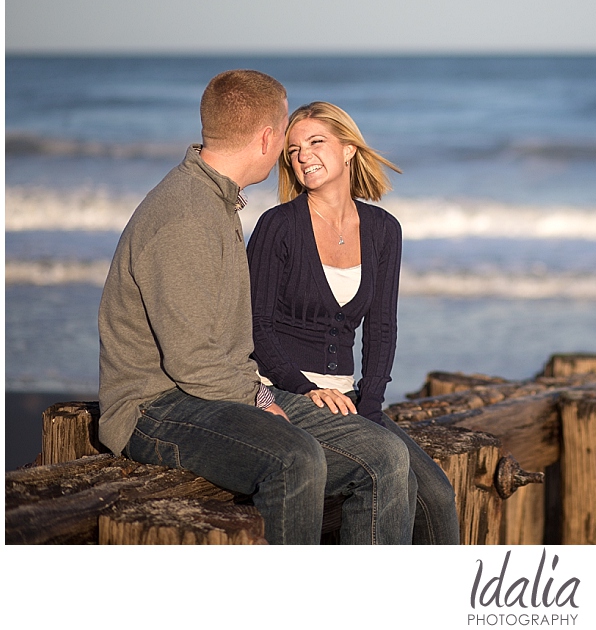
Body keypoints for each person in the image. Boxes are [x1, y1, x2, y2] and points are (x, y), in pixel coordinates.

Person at [98, 70, 413, 545]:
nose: (295, 150)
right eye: (287, 135)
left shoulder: (216, 202)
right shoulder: (185, 215)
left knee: (386, 457)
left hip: (213, 389)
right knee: (296, 458)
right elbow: (193, 361)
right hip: (154, 406)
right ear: (268, 138)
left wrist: (267, 395)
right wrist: (263, 400)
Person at [246, 101, 460, 545]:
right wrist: (305, 389)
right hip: (284, 390)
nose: (303, 156)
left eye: (316, 142)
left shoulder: (384, 229)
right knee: (385, 465)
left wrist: (372, 405)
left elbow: (382, 326)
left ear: (348, 149)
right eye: (292, 150)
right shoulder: (278, 226)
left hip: (346, 395)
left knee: (437, 496)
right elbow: (255, 326)